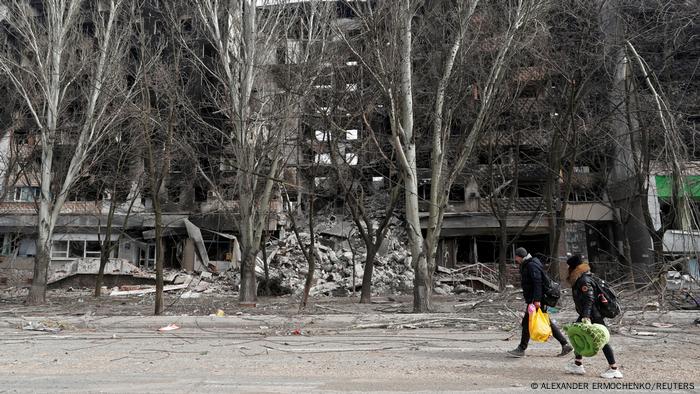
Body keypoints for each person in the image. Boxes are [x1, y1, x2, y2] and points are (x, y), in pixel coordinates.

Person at [565, 255, 623, 378]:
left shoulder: (583, 280)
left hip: (592, 314)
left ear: (573, 267)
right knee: (578, 334)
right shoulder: (583, 278)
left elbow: (589, 298)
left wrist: (586, 316)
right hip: (588, 313)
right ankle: (577, 364)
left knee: (602, 339)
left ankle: (613, 368)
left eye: (569, 267)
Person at [507, 247, 572, 358]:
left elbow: (537, 283)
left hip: (537, 299)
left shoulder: (531, 265)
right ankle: (565, 344)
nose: (515, 260)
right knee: (538, 322)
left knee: (528, 323)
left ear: (519, 256)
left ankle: (521, 348)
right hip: (534, 299)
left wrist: (536, 300)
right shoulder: (528, 263)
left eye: (516, 257)